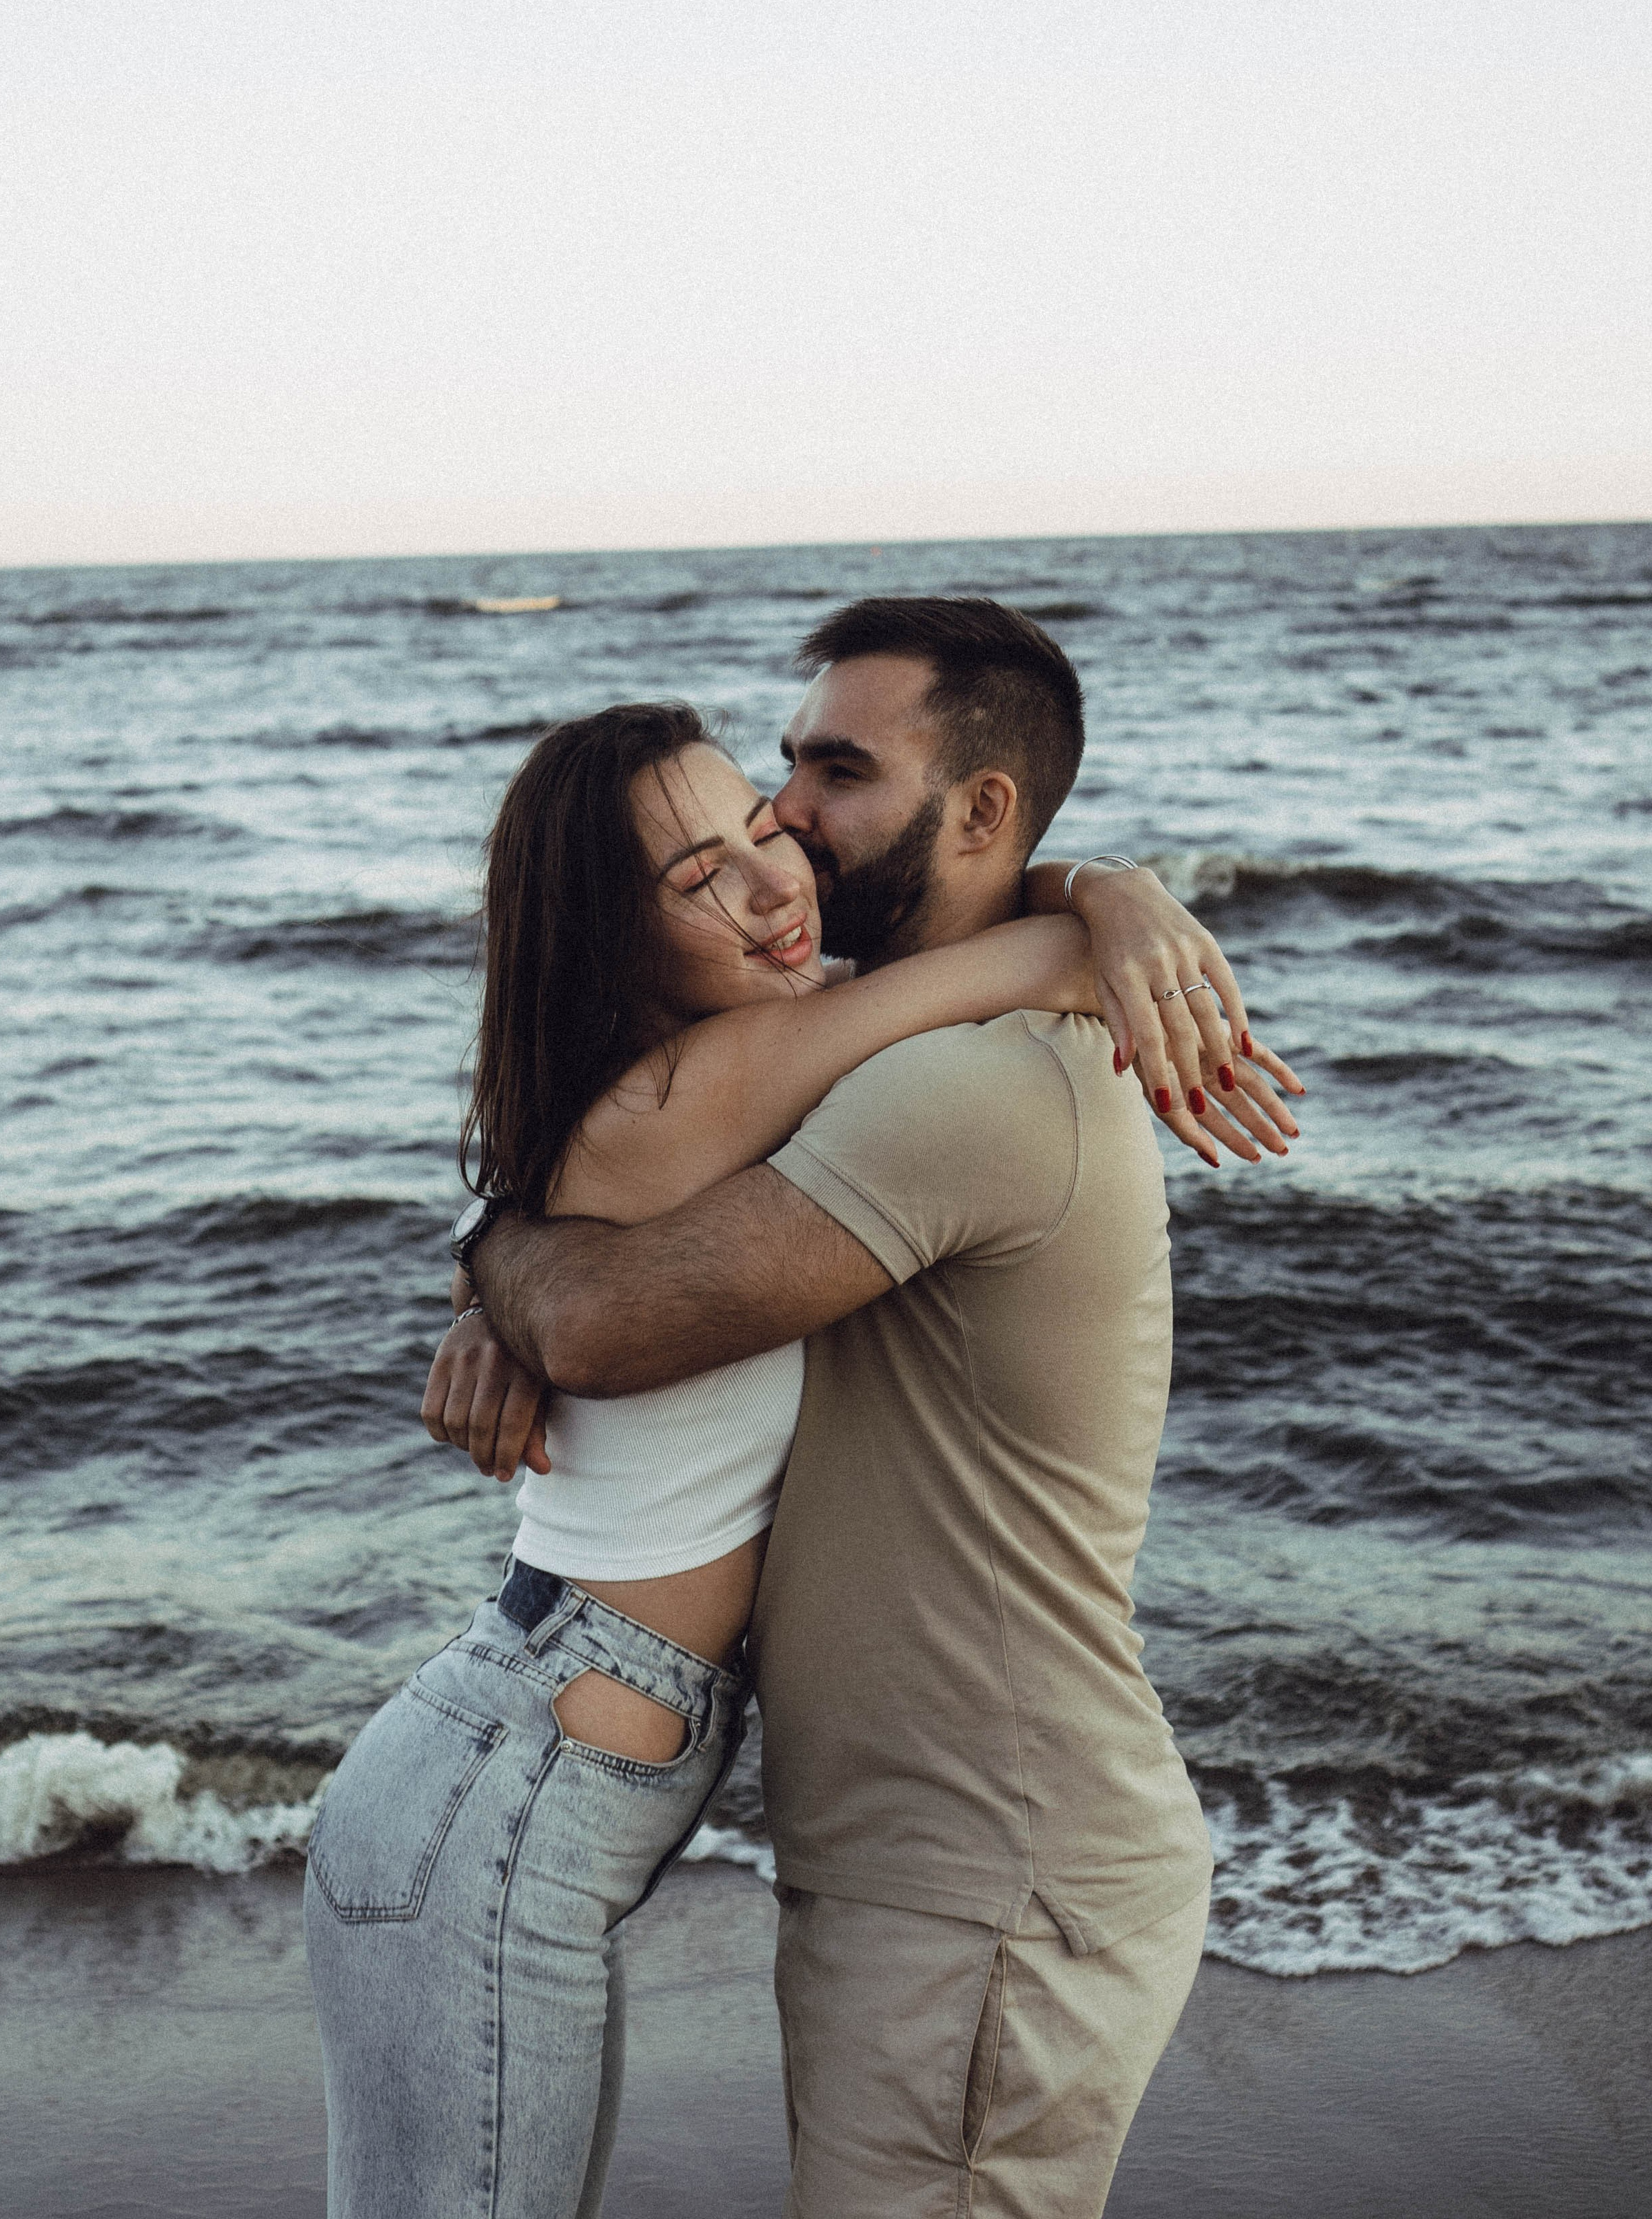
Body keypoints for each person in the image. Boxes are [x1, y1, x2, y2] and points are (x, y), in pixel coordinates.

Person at [433, 597, 1303, 2219]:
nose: (784, 818)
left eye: (837, 772)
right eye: (786, 768)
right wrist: (1096, 888)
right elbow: (626, 1190)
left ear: (979, 810)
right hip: (936, 1864)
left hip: (988, 1877)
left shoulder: (969, 1086)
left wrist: (515, 1283)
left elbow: (605, 1319)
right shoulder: (873, 1040)